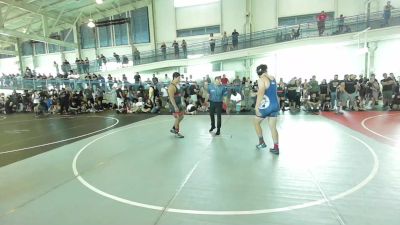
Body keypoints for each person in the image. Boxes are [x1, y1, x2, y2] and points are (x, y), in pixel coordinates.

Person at [253, 64, 280, 154]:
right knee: (273, 127)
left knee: (256, 122)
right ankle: (276, 148)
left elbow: (261, 93)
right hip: (275, 104)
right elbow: (269, 91)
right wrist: (256, 93)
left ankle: (262, 142)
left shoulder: (261, 79)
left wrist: (256, 107)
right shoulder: (272, 78)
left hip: (267, 105)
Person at [168, 72, 185, 138]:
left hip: (179, 103)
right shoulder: (171, 87)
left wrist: (182, 102)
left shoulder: (177, 85)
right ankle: (177, 132)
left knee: (182, 116)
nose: (179, 79)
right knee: (178, 117)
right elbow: (171, 98)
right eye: (178, 78)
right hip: (173, 105)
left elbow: (179, 95)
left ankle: (173, 128)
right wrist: (175, 107)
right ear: (175, 77)